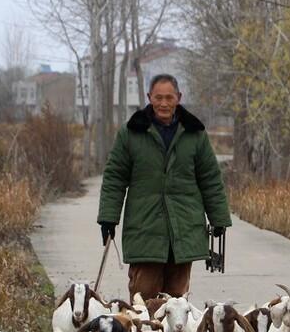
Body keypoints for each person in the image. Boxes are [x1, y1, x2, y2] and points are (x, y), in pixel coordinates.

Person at [97, 73, 230, 300]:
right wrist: (109, 218)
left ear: (179, 97)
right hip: (144, 227)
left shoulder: (195, 134)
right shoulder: (131, 133)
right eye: (158, 97)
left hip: (184, 227)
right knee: (143, 297)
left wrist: (219, 219)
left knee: (177, 300)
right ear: (149, 97)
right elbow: (114, 178)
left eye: (169, 97)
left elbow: (210, 179)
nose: (164, 103)